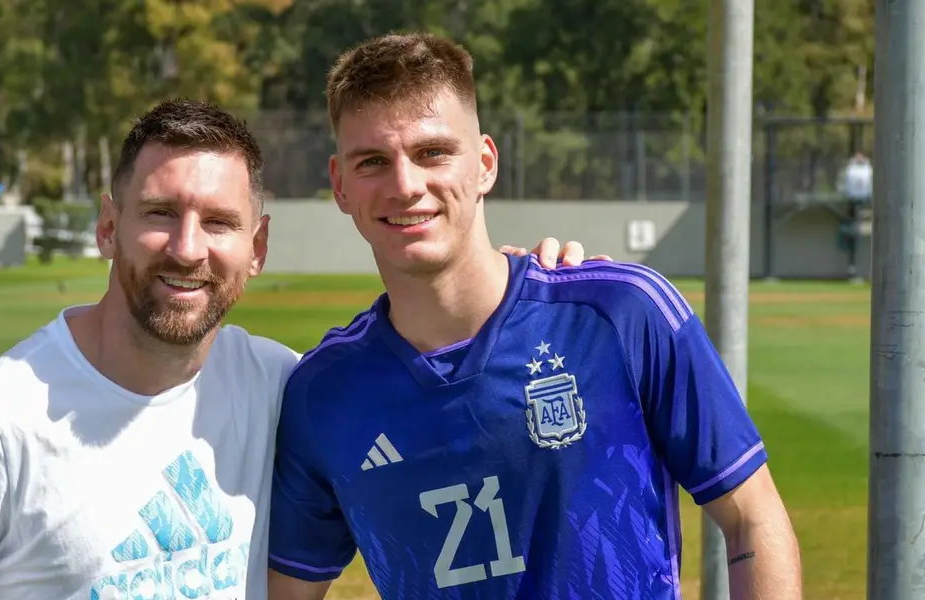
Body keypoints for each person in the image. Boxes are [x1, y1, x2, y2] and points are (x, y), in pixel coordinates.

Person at [0, 98, 598, 600]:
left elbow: (440, 384)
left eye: (218, 223)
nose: (187, 250)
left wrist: (512, 290)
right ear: (107, 227)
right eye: (159, 214)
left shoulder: (283, 387)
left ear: (256, 248)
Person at [266, 32, 802, 600]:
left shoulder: (620, 315)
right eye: (373, 161)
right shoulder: (323, 393)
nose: (405, 185)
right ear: (340, 185)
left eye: (433, 153)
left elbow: (752, 519)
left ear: (486, 165)